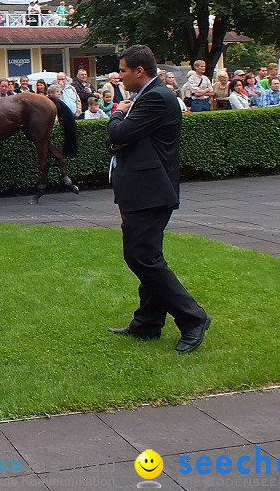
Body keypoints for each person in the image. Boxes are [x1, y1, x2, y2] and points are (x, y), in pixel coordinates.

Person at [107, 44, 210, 354]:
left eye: (123, 70)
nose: (119, 75)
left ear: (140, 71)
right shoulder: (150, 96)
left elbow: (118, 135)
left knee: (141, 257)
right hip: (144, 189)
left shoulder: (155, 97)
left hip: (149, 191)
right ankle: (148, 322)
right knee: (146, 255)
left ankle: (193, 318)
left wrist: (117, 114)